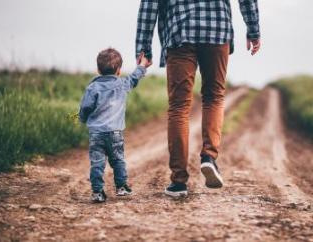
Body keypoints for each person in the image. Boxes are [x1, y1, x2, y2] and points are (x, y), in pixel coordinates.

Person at [135, 0, 261, 197]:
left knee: (179, 106)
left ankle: (178, 181)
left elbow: (149, 4)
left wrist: (143, 46)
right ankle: (209, 157)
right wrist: (253, 29)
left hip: (180, 30)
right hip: (217, 29)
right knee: (214, 97)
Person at [79, 48, 151, 203]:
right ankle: (121, 187)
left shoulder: (92, 87)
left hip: (96, 134)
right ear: (119, 70)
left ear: (98, 70)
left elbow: (85, 108)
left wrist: (82, 118)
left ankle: (97, 192)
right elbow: (134, 77)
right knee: (118, 160)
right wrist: (143, 65)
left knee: (97, 163)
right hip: (115, 133)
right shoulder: (122, 84)